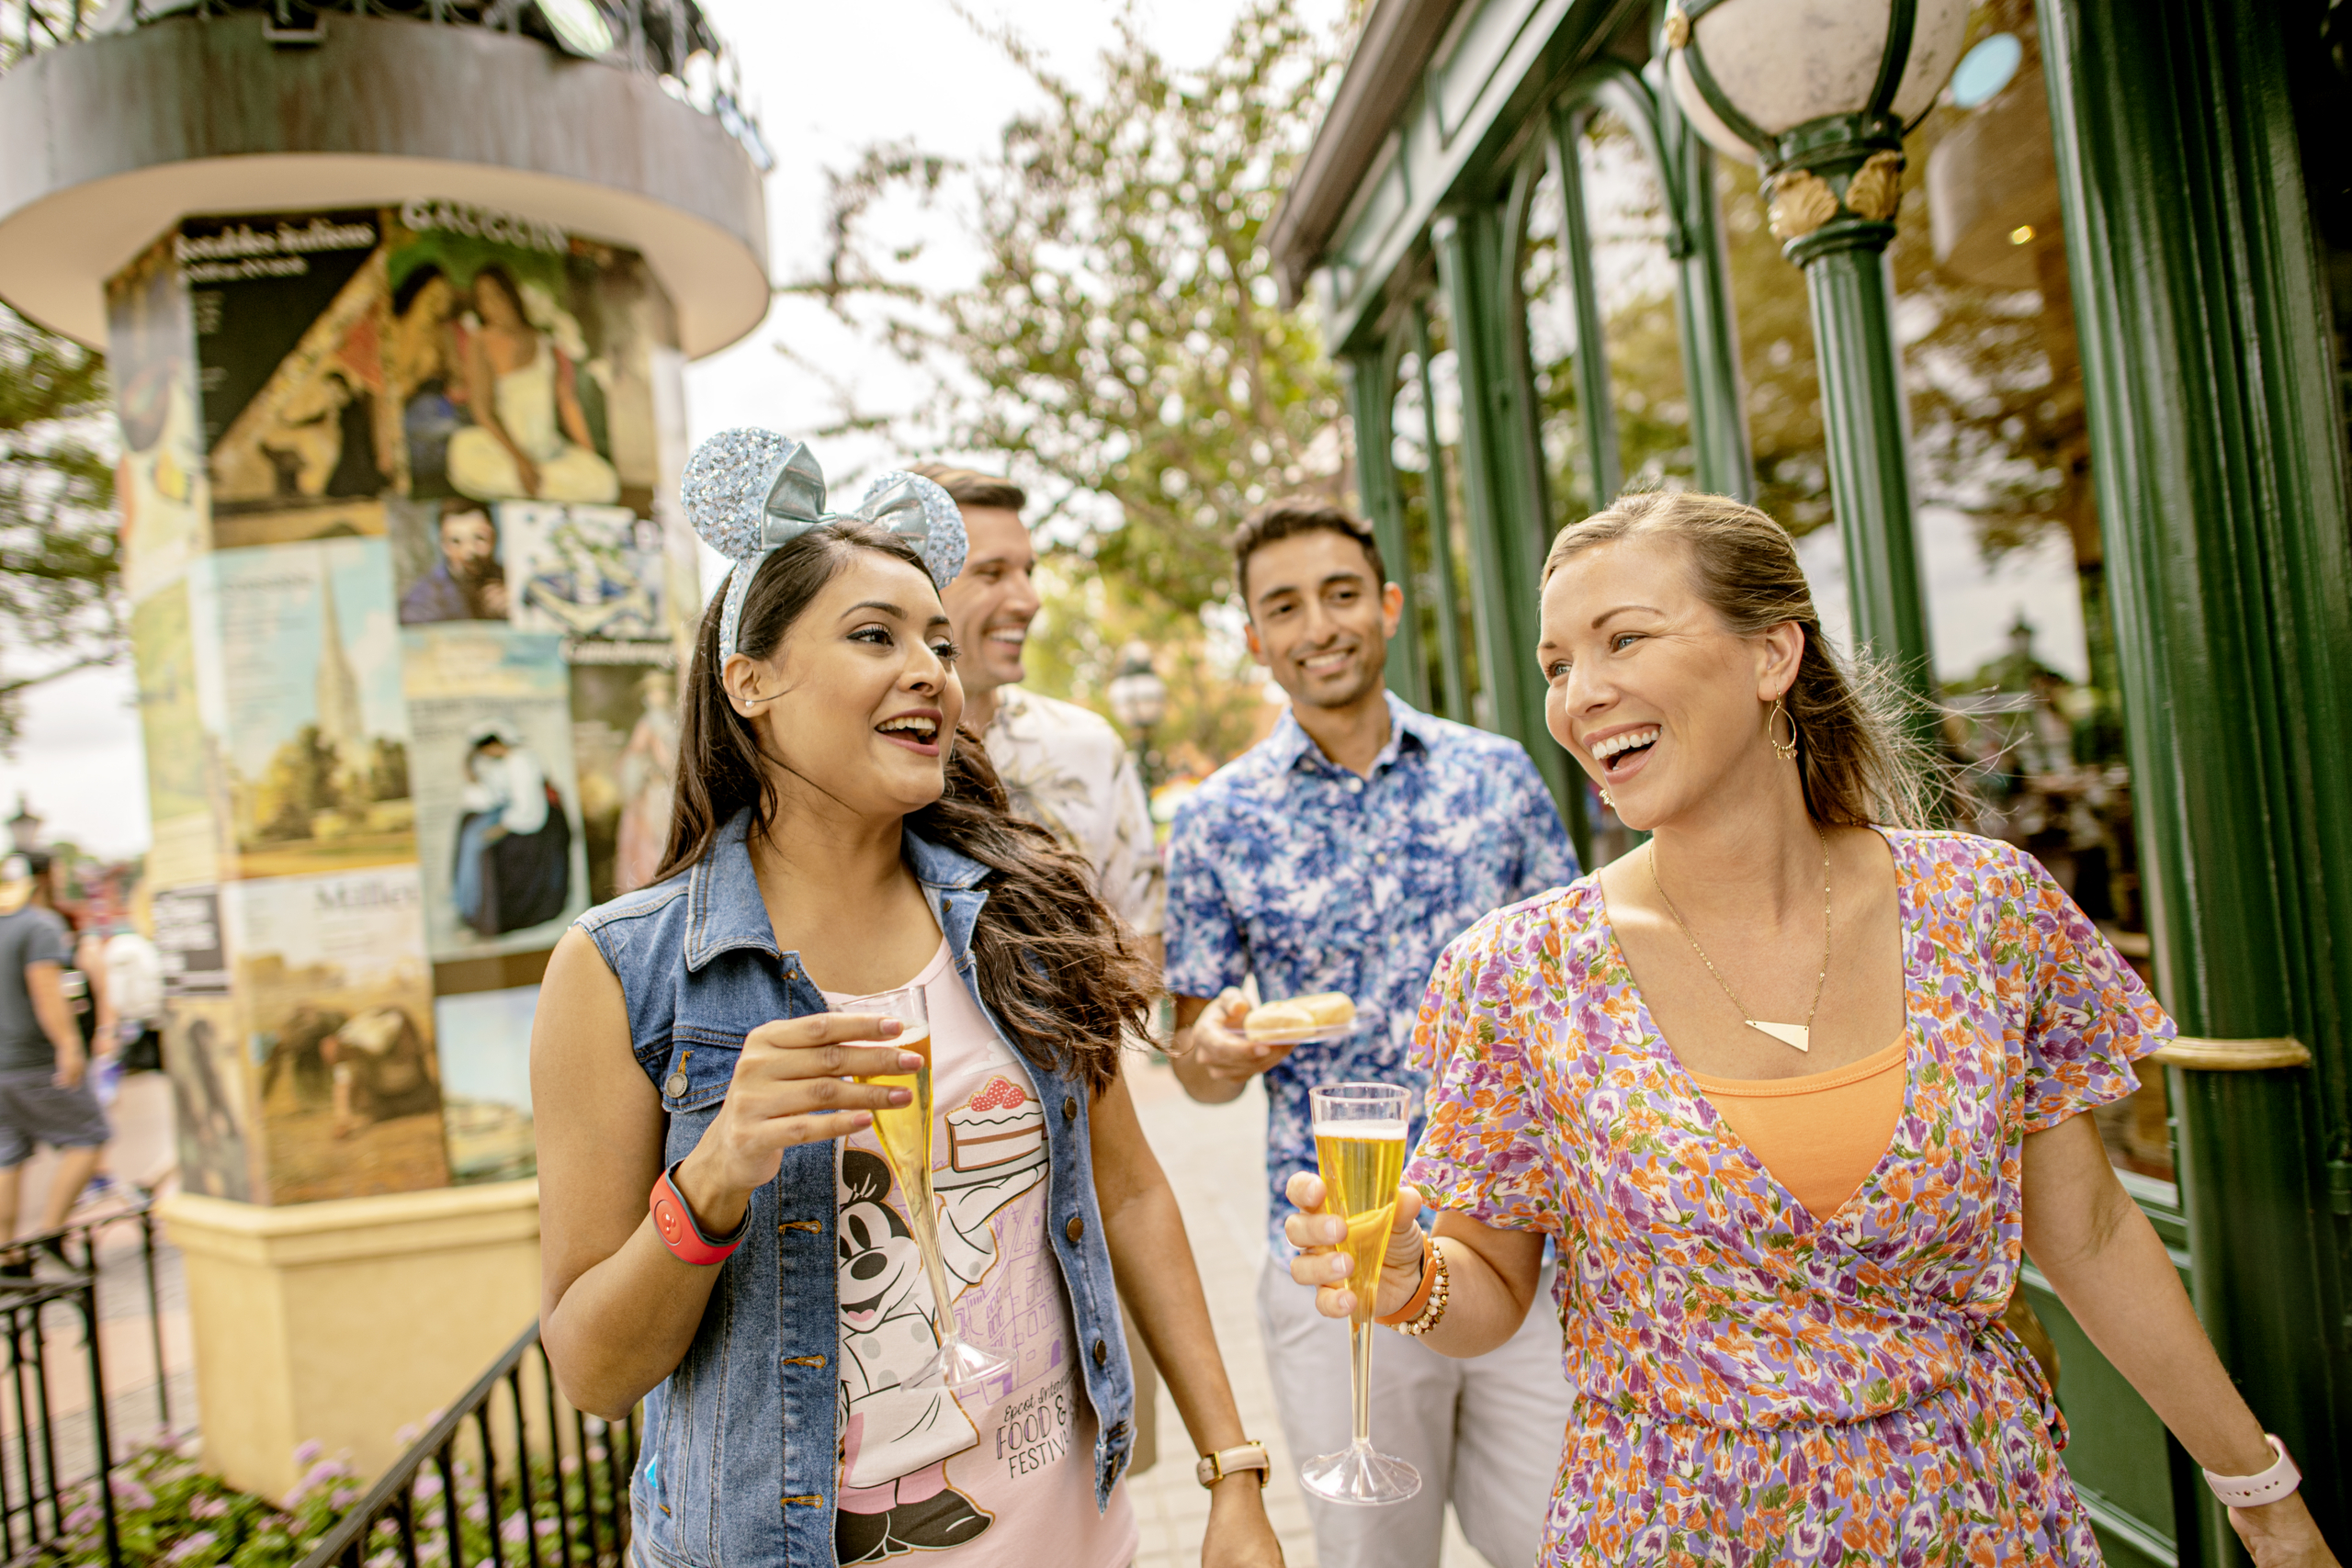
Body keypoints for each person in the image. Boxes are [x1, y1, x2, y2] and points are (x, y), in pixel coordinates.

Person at [1281, 491, 2345, 1567]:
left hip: (1982, 1518)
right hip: (1671, 1530)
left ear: (1772, 655)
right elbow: (1492, 1294)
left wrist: (2259, 1492)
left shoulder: (1985, 910)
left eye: (1624, 639)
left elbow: (2095, 1236)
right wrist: (1410, 1276)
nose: (1580, 695)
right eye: (1557, 665)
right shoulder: (1517, 974)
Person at [533, 431, 1282, 1568]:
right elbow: (592, 1370)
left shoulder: (1023, 915)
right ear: (752, 680)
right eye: (873, 637)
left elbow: (1128, 1197)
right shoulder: (620, 973)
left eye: (936, 638)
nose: (931, 667)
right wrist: (716, 1172)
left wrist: (1233, 1475)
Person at [1164, 498, 1580, 1568]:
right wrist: (1212, 1055)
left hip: (1521, 1240)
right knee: (1371, 1552)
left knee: (1559, 1542)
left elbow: (1585, 992)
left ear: (1387, 607)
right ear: (1255, 639)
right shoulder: (1216, 820)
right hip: (1333, 1260)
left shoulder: (1497, 779)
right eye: (1285, 607)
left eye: (1341, 594)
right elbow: (1197, 1056)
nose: (1319, 625)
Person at [918, 462, 1170, 1467]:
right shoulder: (833, 772)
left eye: (1027, 569)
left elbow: (1139, 968)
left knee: (1093, 1474)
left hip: (1083, 1201)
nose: (1023, 597)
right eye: (990, 572)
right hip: (908, 1226)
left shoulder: (1086, 751)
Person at [0, 854, 110, 1244]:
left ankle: (9, 1256)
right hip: (34, 1060)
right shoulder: (38, 926)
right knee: (90, 1136)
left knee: (6, 1157)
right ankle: (51, 1232)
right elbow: (47, 991)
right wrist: (69, 1046)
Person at [445, 265, 618, 504]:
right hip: (502, 451)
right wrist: (520, 460)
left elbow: (567, 402)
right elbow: (482, 411)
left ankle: (538, 486)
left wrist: (589, 455)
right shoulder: (480, 343)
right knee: (467, 464)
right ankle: (534, 485)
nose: (492, 305)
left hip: (546, 451)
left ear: (511, 294)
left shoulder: (544, 341)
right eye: (482, 299)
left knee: (604, 482)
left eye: (496, 295)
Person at [453, 723, 571, 938]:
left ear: (494, 744)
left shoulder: (521, 761)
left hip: (538, 823)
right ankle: (470, 908)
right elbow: (495, 795)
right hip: (518, 814)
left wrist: (501, 828)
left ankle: (480, 913)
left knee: (480, 843)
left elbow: (528, 806)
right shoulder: (504, 762)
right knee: (469, 832)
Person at [399, 505, 510, 625]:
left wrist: (518, 609)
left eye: (479, 538)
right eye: (456, 541)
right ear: (443, 545)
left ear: (495, 538)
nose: (469, 552)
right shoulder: (422, 601)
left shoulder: (512, 584)